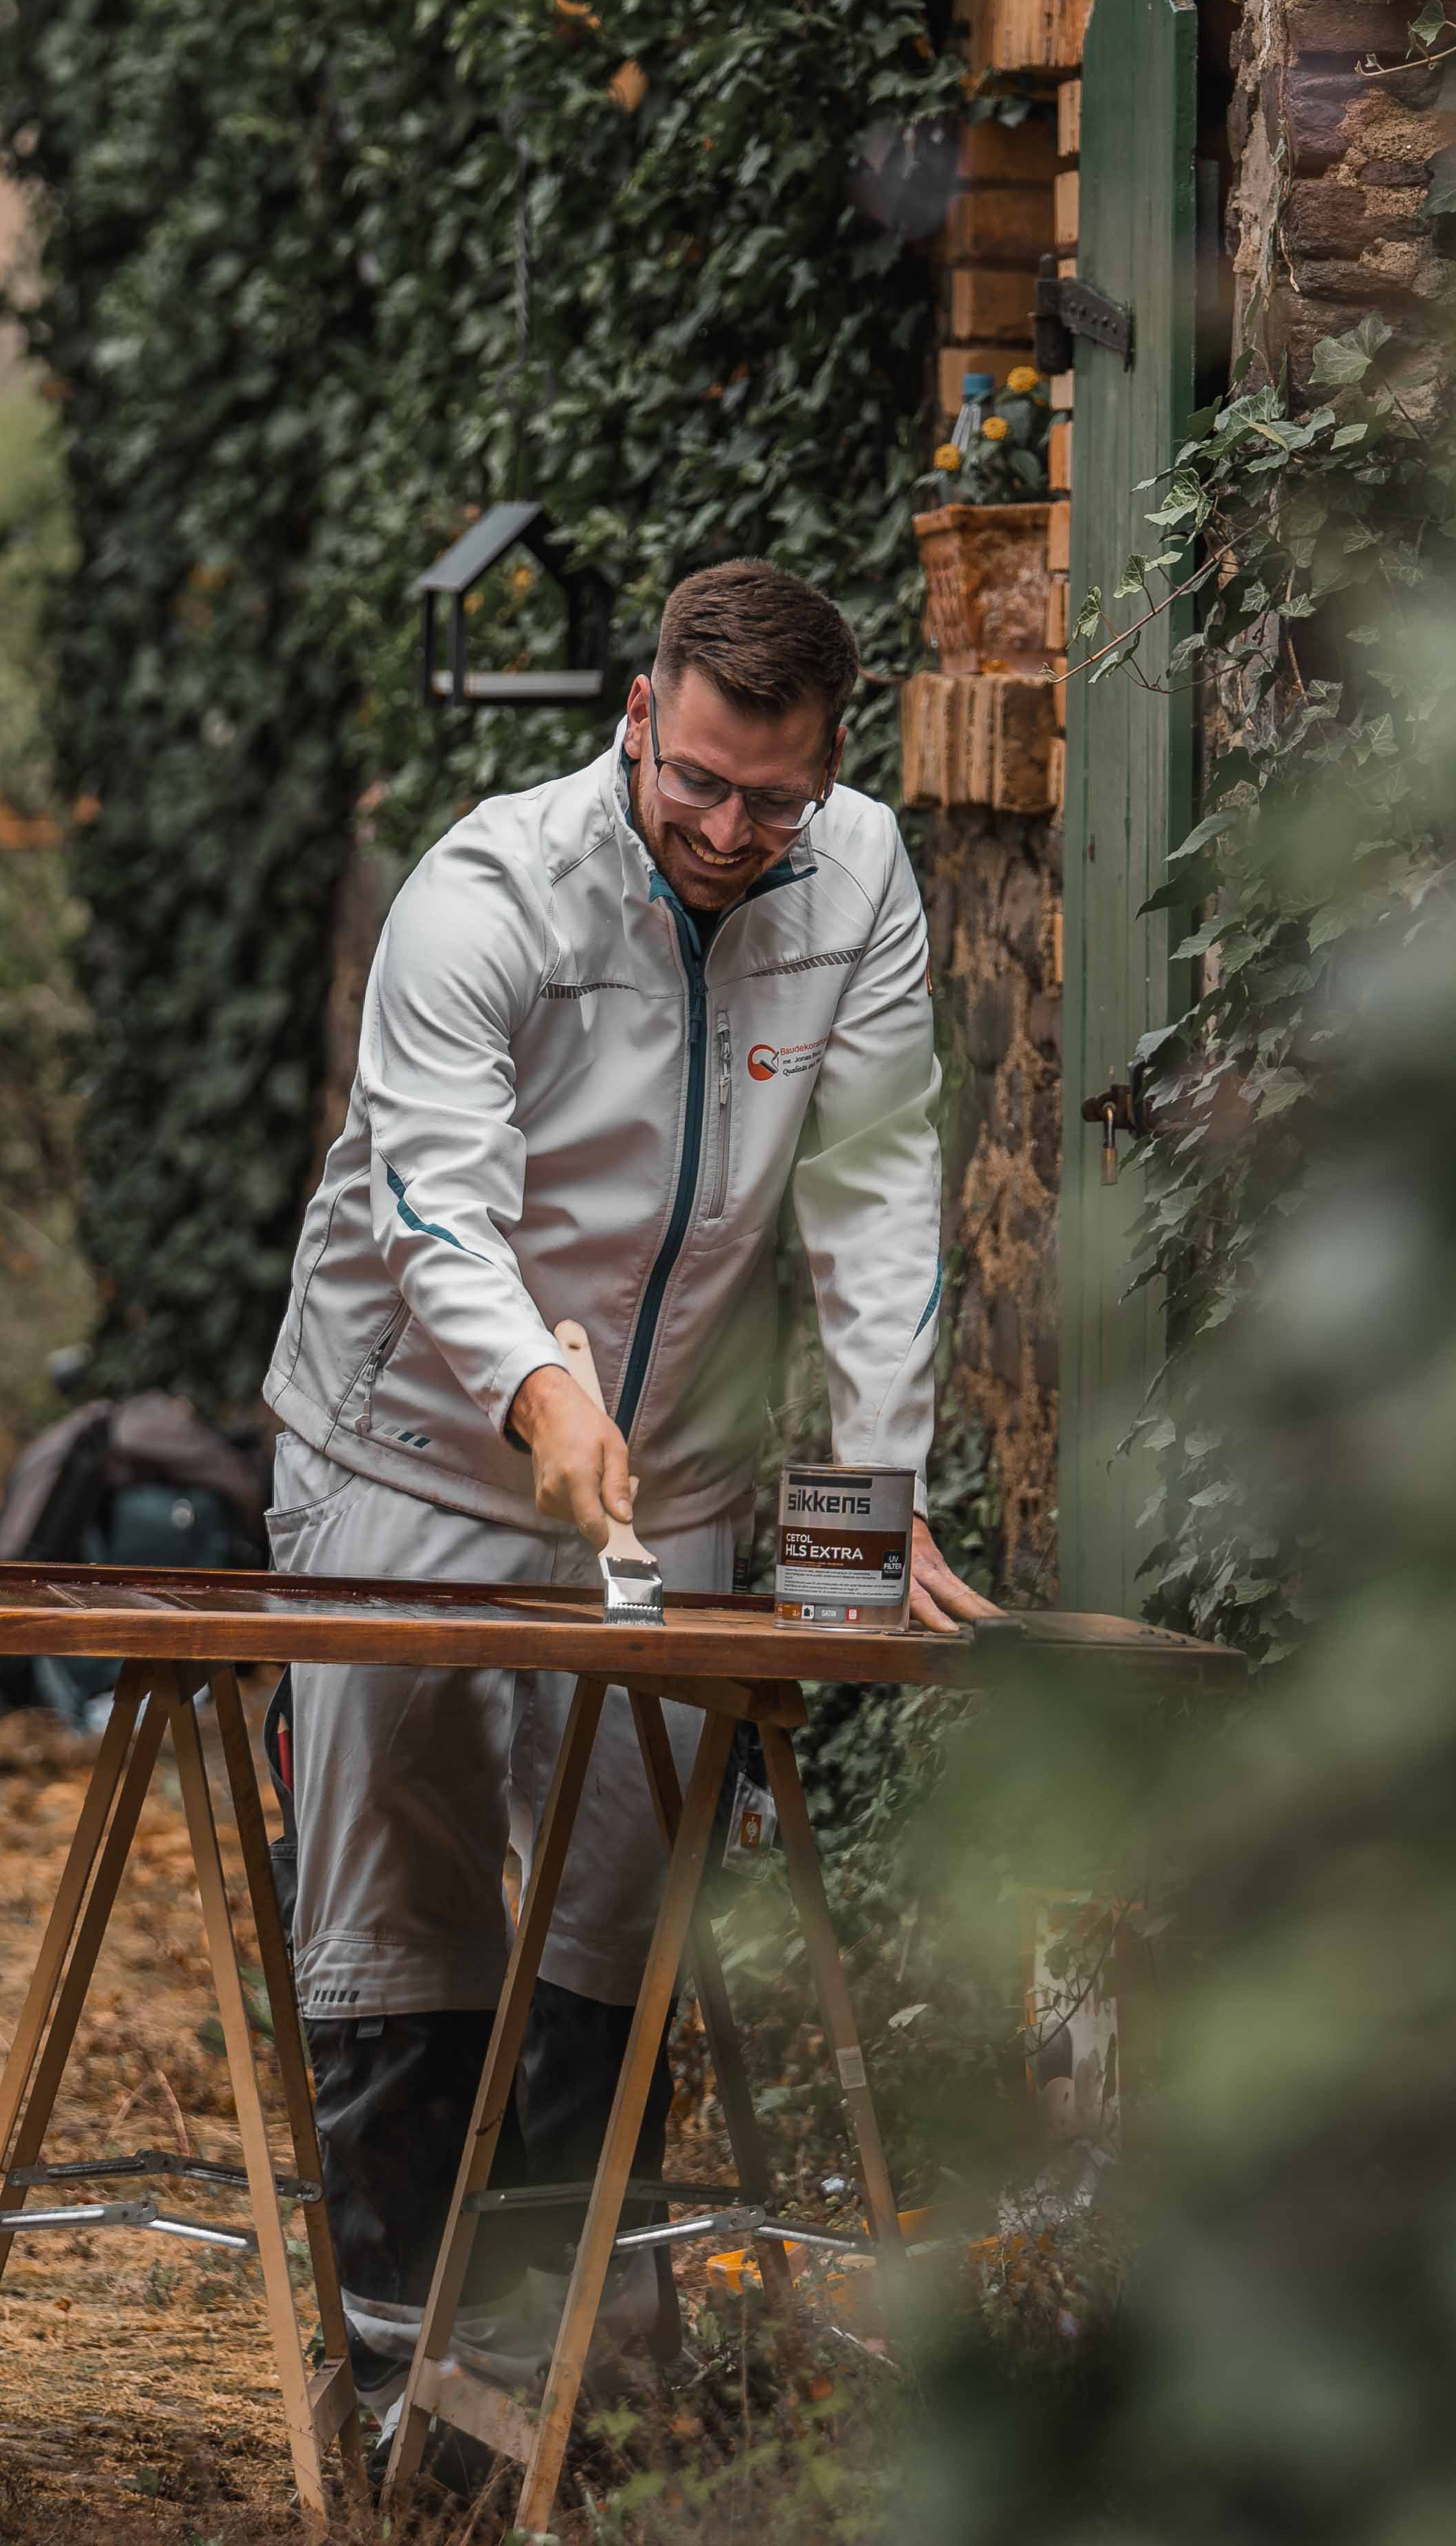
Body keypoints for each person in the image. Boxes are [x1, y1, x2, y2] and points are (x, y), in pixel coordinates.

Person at [260, 556, 996, 2431]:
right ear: (641, 716)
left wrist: (878, 1480)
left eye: (780, 797)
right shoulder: (488, 889)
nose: (738, 831)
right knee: (398, 1907)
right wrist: (534, 1403)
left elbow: (879, 1192)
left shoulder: (862, 876)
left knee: (613, 1915)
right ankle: (402, 2389)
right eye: (703, 785)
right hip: (411, 1449)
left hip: (669, 1471)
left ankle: (574, 2372)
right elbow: (441, 1196)